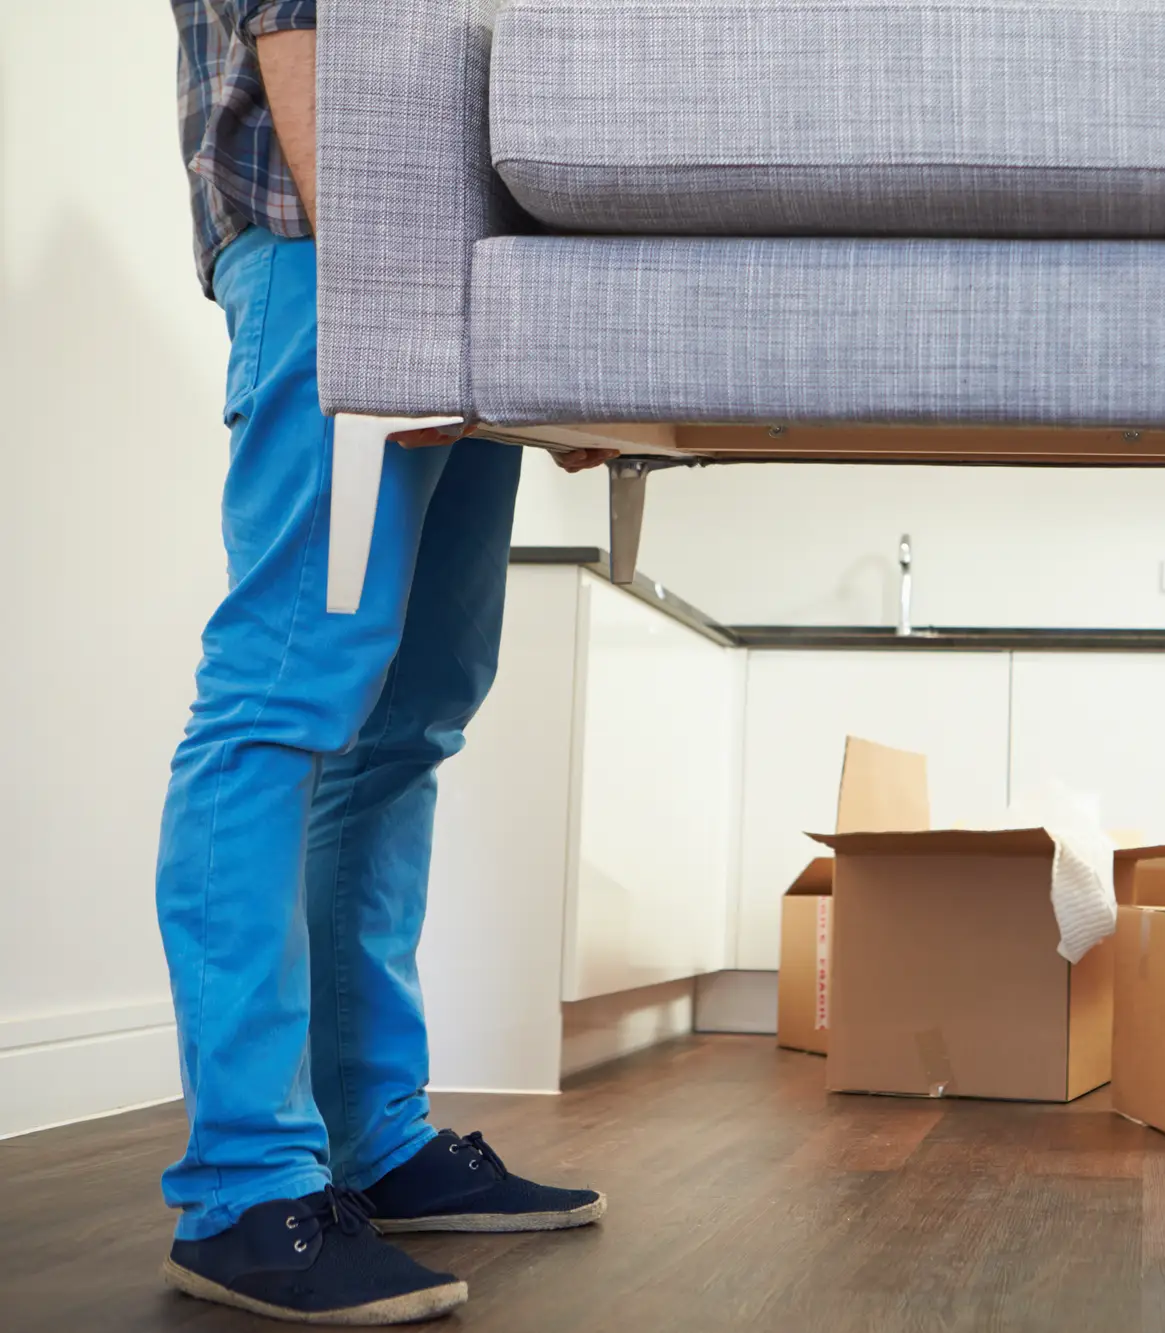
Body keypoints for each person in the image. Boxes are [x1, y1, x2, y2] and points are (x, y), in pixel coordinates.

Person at [160, 4, 618, 1323]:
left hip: (448, 294)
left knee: (412, 714)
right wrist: (386, 298)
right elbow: (298, 23)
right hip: (335, 264)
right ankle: (244, 1187)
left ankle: (379, 1143)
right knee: (282, 702)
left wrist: (554, 354)